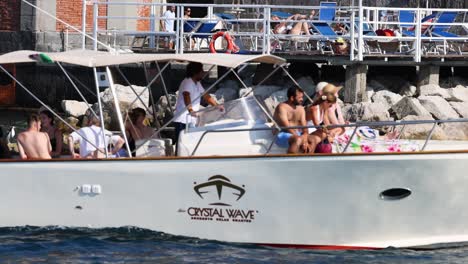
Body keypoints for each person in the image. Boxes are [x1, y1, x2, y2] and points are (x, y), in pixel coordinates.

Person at [173, 62, 222, 143]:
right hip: (183, 119)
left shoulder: (197, 83)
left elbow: (206, 96)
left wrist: (217, 106)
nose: (203, 73)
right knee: (183, 143)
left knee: (192, 143)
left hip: (191, 119)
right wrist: (190, 110)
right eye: (201, 71)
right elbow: (186, 95)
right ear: (196, 72)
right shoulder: (188, 82)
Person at [273, 86, 314, 154]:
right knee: (298, 139)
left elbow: (305, 127)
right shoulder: (282, 107)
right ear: (292, 98)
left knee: (313, 140)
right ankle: (291, 163)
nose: (302, 99)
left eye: (302, 97)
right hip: (283, 134)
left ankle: (308, 161)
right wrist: (301, 138)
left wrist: (305, 138)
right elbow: (286, 127)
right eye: (300, 97)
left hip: (297, 133)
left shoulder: (301, 109)